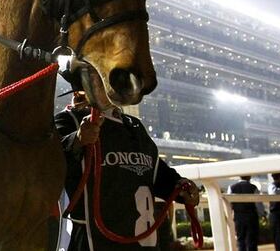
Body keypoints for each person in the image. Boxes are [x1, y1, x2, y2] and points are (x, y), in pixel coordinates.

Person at [56, 91, 201, 250]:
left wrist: (181, 188)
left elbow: (154, 172)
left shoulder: (134, 125)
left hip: (144, 244)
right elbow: (51, 163)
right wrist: (77, 140)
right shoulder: (68, 119)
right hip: (95, 243)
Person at [227, 176, 263, 251]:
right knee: (252, 241)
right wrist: (261, 214)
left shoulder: (232, 187)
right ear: (249, 177)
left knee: (240, 240)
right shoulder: (253, 187)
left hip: (238, 216)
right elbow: (258, 203)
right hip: (251, 216)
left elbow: (229, 203)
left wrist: (231, 215)